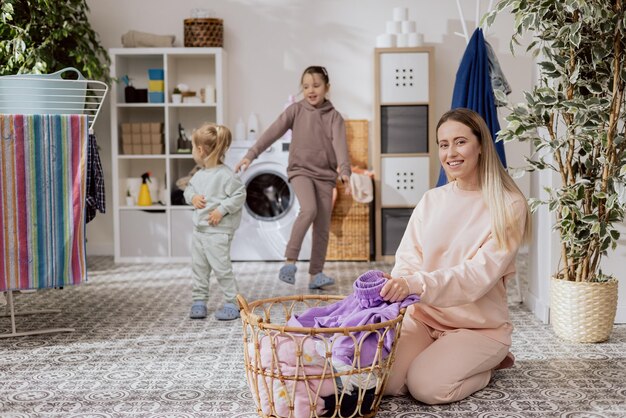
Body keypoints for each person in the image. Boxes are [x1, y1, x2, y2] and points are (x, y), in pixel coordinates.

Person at [380, 108, 532, 404]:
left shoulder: (509, 205)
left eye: (460, 142)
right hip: (425, 318)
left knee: (426, 387)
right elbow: (409, 257)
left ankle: (489, 365)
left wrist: (416, 285)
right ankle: (438, 358)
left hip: (478, 328)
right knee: (385, 381)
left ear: (480, 146)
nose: (451, 152)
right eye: (444, 144)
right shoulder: (432, 200)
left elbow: (477, 276)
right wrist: (399, 285)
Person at [234, 66, 352, 290]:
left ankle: (316, 274)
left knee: (322, 225)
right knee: (309, 210)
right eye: (306, 86)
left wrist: (344, 171)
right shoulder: (295, 110)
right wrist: (251, 155)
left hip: (326, 176)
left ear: (327, 87)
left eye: (316, 85)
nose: (311, 90)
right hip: (300, 171)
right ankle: (289, 262)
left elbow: (340, 146)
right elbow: (272, 132)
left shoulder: (334, 117)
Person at [184, 123, 246, 320]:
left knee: (222, 269)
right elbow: (188, 190)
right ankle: (199, 300)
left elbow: (239, 194)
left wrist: (221, 209)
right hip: (199, 232)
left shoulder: (225, 175)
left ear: (200, 150)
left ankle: (233, 303)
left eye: (193, 147)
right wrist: (192, 197)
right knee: (199, 269)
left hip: (218, 233)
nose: (193, 151)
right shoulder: (200, 174)